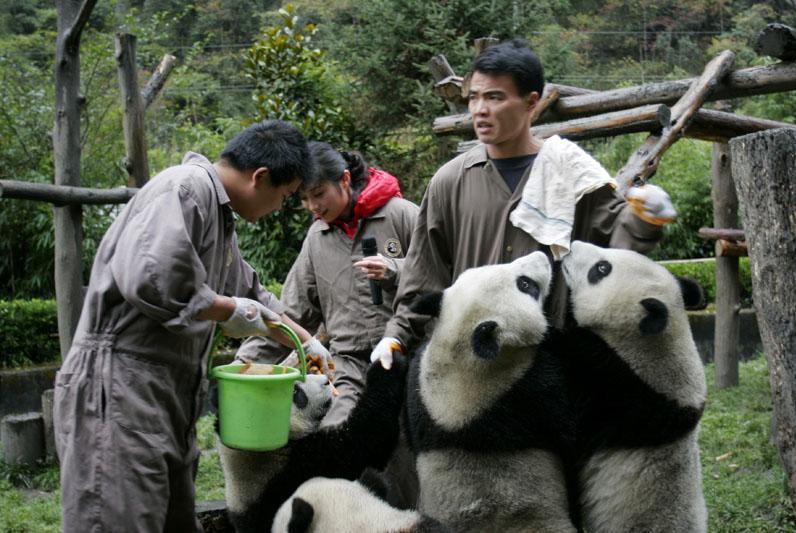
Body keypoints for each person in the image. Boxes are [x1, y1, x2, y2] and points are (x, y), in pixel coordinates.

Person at [53, 120, 333, 533]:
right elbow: (151, 278)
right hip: (118, 386)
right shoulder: (184, 188)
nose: (279, 208)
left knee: (170, 518)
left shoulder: (221, 218)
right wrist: (226, 309)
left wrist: (306, 341)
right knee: (116, 519)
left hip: (168, 395)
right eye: (285, 195)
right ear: (261, 177)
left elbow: (253, 298)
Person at [370, 39, 677, 368]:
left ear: (531, 102)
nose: (479, 109)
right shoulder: (450, 181)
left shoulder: (569, 172)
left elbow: (614, 248)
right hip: (471, 365)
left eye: (495, 97)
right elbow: (422, 275)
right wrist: (396, 335)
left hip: (552, 365)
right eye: (473, 97)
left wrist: (645, 216)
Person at [237, 140, 419, 428]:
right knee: (336, 433)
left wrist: (394, 269)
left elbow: (440, 276)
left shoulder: (401, 214)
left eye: (319, 194)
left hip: (409, 357)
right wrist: (243, 365)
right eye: (304, 199)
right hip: (350, 365)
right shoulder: (316, 239)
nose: (314, 207)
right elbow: (290, 313)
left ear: (344, 180)